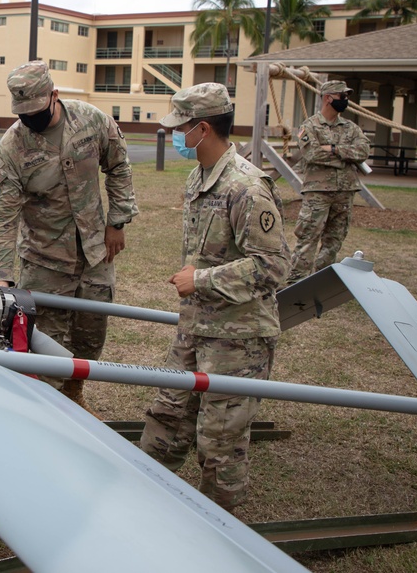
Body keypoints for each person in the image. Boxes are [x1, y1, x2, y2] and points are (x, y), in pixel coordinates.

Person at [139, 82, 290, 511]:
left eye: (180, 129)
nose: (175, 136)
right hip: (197, 327)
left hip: (238, 339)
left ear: (202, 129)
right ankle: (139, 500)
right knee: (167, 416)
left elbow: (274, 266)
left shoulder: (247, 187)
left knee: (219, 443)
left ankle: (217, 533)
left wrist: (200, 280)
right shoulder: (198, 176)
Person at [0, 60, 138, 414]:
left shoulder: (91, 121)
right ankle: (44, 411)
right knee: (46, 344)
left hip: (96, 253)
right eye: (23, 114)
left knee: (90, 336)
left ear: (54, 96)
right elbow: (2, 218)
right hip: (45, 259)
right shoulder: (12, 149)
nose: (31, 120)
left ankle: (74, 391)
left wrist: (118, 221)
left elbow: (118, 166)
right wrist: (2, 277)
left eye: (37, 112)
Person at [287, 80, 371, 283]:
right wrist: (346, 157)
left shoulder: (350, 127)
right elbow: (313, 154)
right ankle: (295, 281)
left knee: (334, 239)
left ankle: (320, 280)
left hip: (345, 191)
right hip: (318, 192)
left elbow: (364, 151)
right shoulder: (309, 126)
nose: (345, 100)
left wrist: (333, 149)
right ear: (328, 98)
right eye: (342, 96)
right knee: (308, 237)